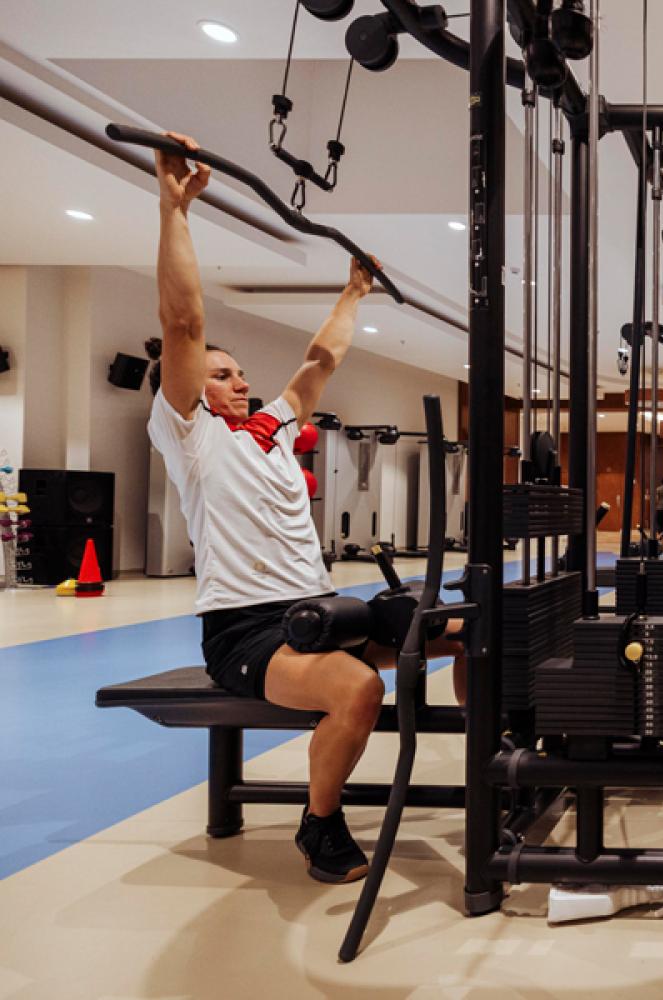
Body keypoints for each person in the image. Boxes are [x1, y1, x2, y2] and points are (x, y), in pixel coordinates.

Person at [146, 131, 466, 884]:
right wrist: (174, 209)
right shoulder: (188, 434)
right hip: (248, 629)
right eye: (220, 374)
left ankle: (494, 772)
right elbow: (184, 324)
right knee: (360, 688)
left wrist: (354, 291)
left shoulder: (274, 429)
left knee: (468, 633)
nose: (238, 380)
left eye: (239, 372)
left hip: (320, 613)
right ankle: (320, 825)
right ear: (189, 386)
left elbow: (321, 361)